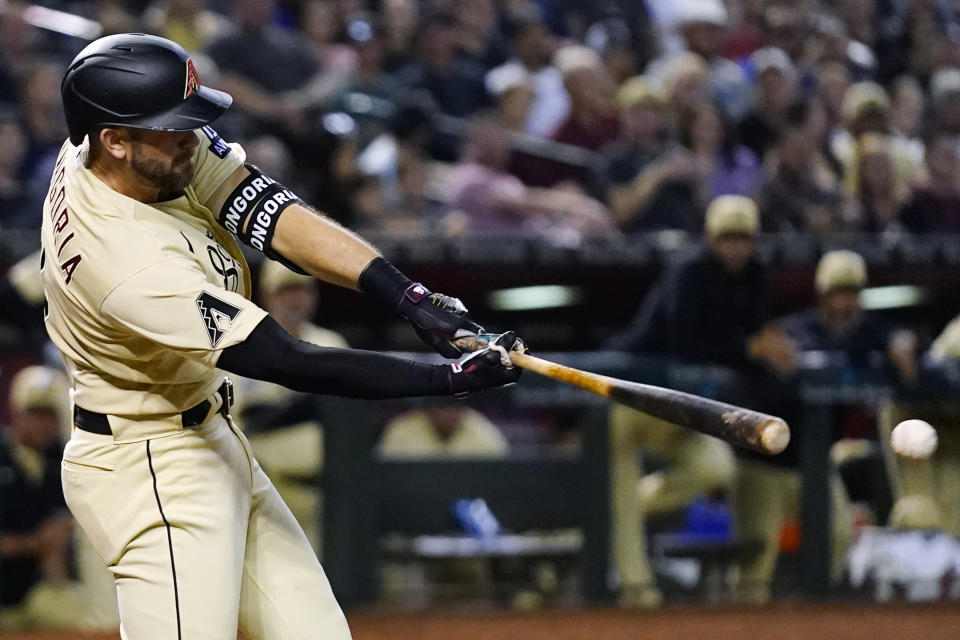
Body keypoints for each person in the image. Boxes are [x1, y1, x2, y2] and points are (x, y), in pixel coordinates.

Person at [47, 33, 523, 640]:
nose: (193, 139)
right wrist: (449, 379)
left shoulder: (115, 144)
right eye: (175, 128)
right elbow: (286, 359)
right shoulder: (124, 259)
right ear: (114, 140)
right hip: (148, 469)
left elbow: (261, 206)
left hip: (208, 435)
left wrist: (407, 296)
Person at [232, 260, 349, 550]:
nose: (296, 299)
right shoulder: (245, 344)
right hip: (266, 490)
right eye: (286, 291)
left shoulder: (331, 343)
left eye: (303, 290)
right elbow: (235, 421)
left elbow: (350, 418)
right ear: (268, 295)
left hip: (325, 490)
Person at [0, 366, 119, 632]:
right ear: (16, 412)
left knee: (100, 619)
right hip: (9, 591)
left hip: (44, 591)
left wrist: (66, 527)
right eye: (35, 413)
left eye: (50, 415)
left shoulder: (63, 463)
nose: (43, 424)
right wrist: (34, 543)